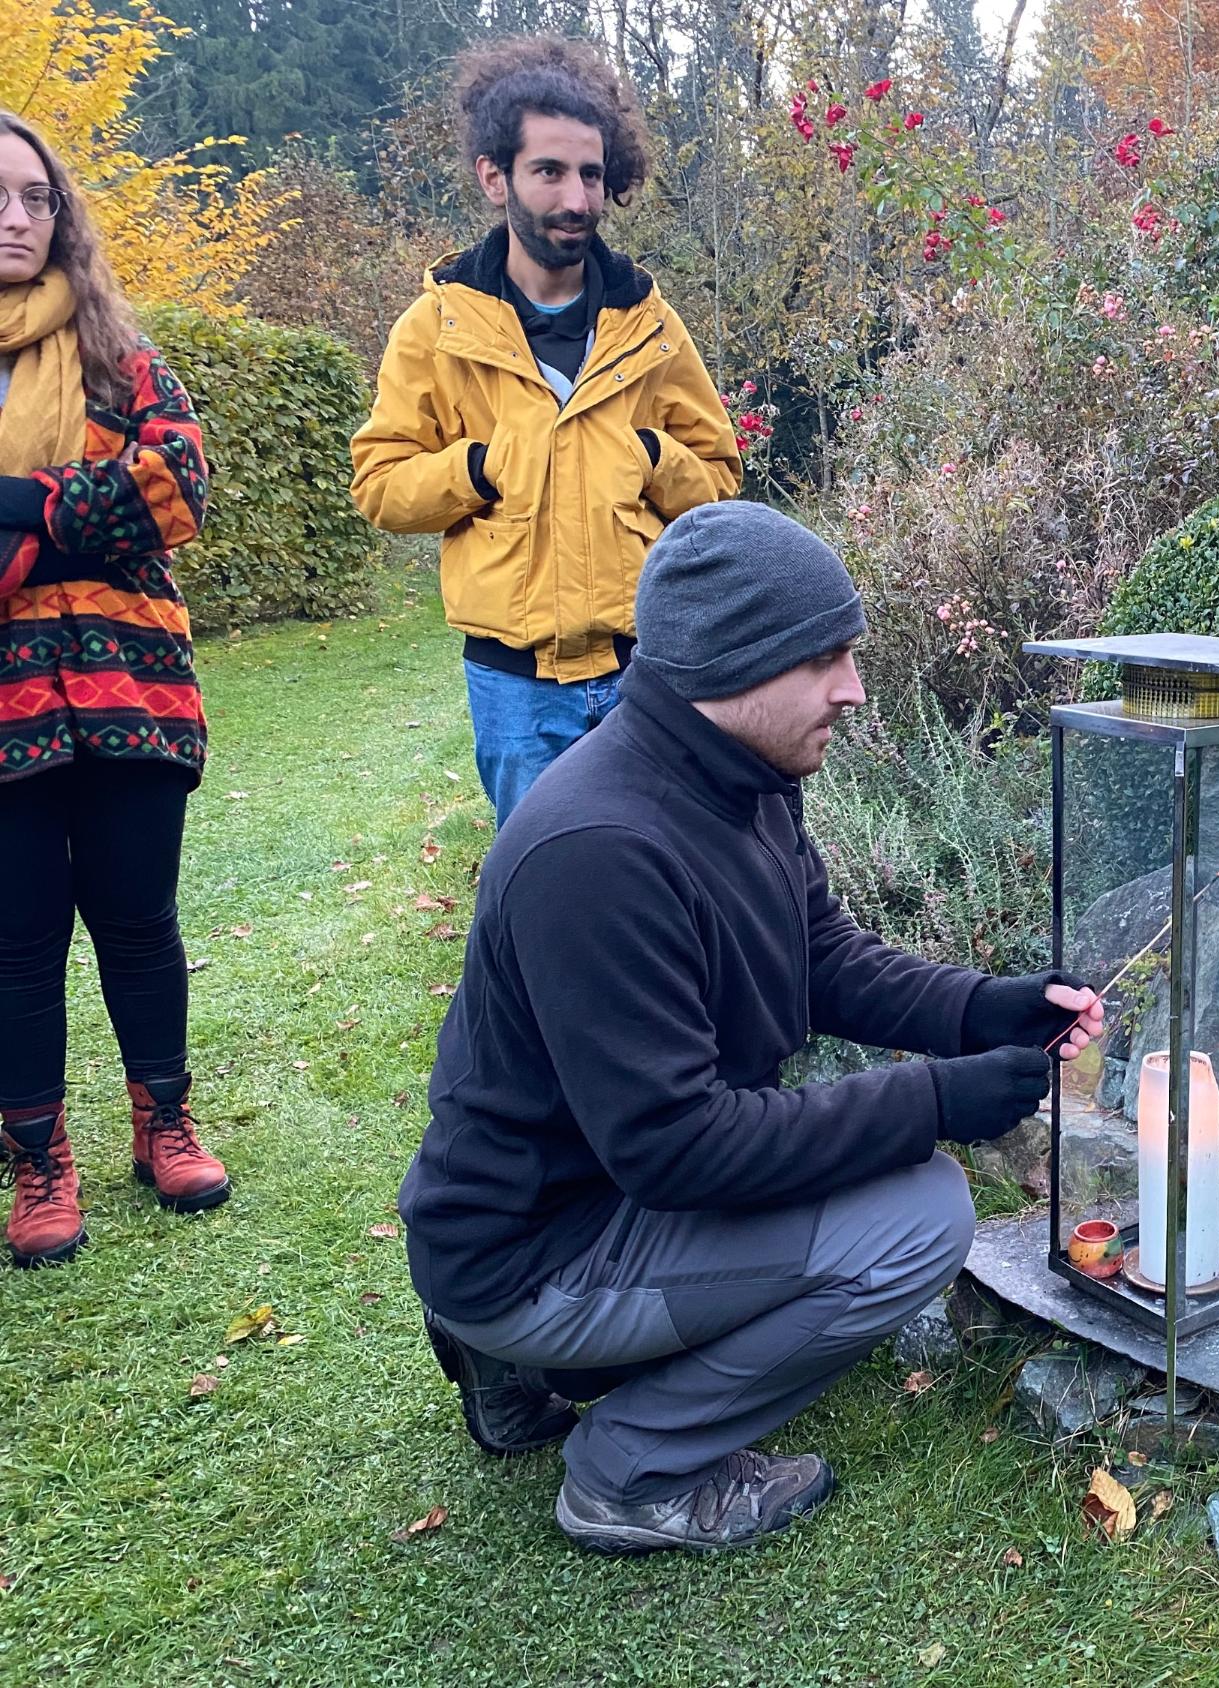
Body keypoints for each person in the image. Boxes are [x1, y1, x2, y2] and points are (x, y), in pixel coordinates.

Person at [401, 500, 1104, 1554]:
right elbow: (678, 1147)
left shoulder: (743, 777)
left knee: (878, 1189)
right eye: (825, 659)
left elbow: (819, 955)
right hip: (536, 1242)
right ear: (734, 663)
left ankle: (516, 1361)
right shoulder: (597, 851)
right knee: (920, 1216)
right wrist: (936, 1101)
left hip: (575, 1204)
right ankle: (628, 1469)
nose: (853, 688)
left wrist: (975, 1008)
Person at [351, 38, 740, 824]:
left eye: (591, 174)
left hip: (647, 669)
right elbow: (380, 484)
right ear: (495, 177)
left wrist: (651, 456)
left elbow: (720, 479)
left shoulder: (649, 322)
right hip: (514, 687)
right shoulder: (437, 327)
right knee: (544, 874)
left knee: (662, 863)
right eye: (550, 171)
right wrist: (479, 468)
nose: (577, 198)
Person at [0, 111, 231, 1268]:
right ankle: (40, 1163)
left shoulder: (119, 359)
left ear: (62, 216)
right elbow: (123, 501)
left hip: (131, 688)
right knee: (17, 942)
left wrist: (22, 506)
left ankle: (164, 1122)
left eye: (36, 197)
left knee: (140, 922)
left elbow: (176, 485)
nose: (17, 218)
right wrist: (85, 507)